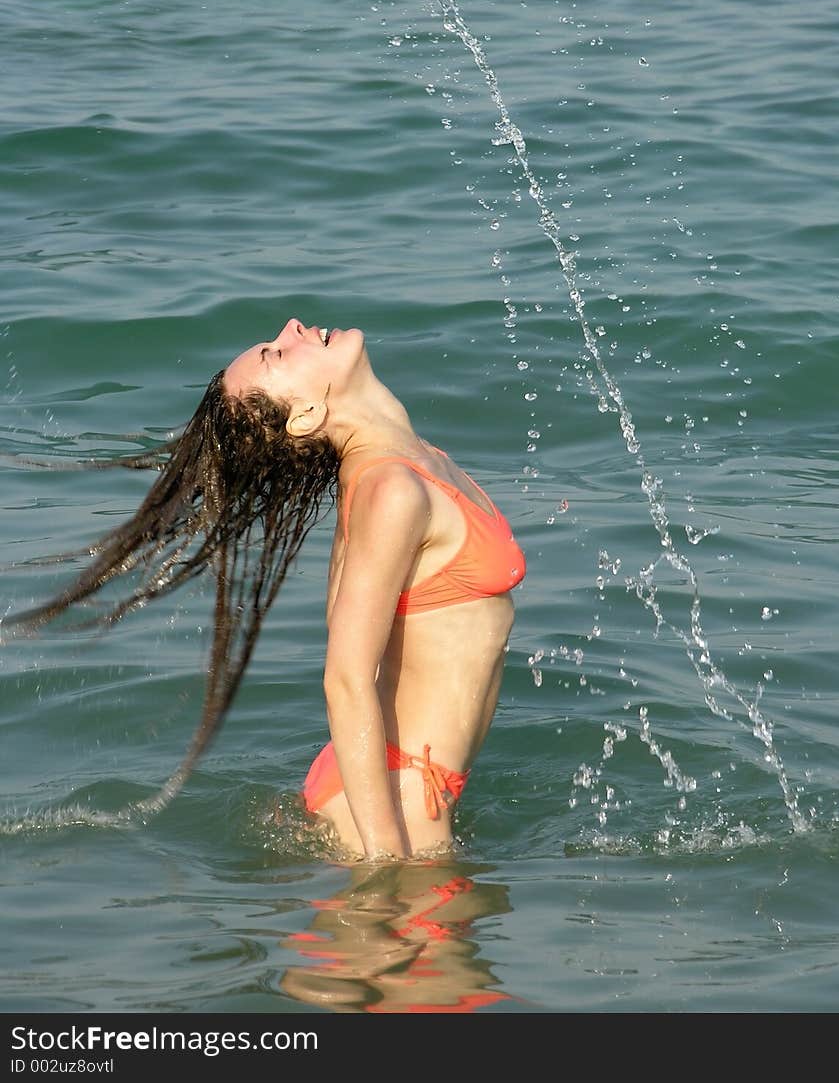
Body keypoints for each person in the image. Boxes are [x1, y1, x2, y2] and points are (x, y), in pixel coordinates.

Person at [4, 318, 526, 859]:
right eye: (278, 354)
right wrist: (388, 865)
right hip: (395, 810)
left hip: (402, 788)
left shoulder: (406, 463)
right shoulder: (390, 491)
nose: (292, 327)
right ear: (305, 415)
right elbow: (345, 679)